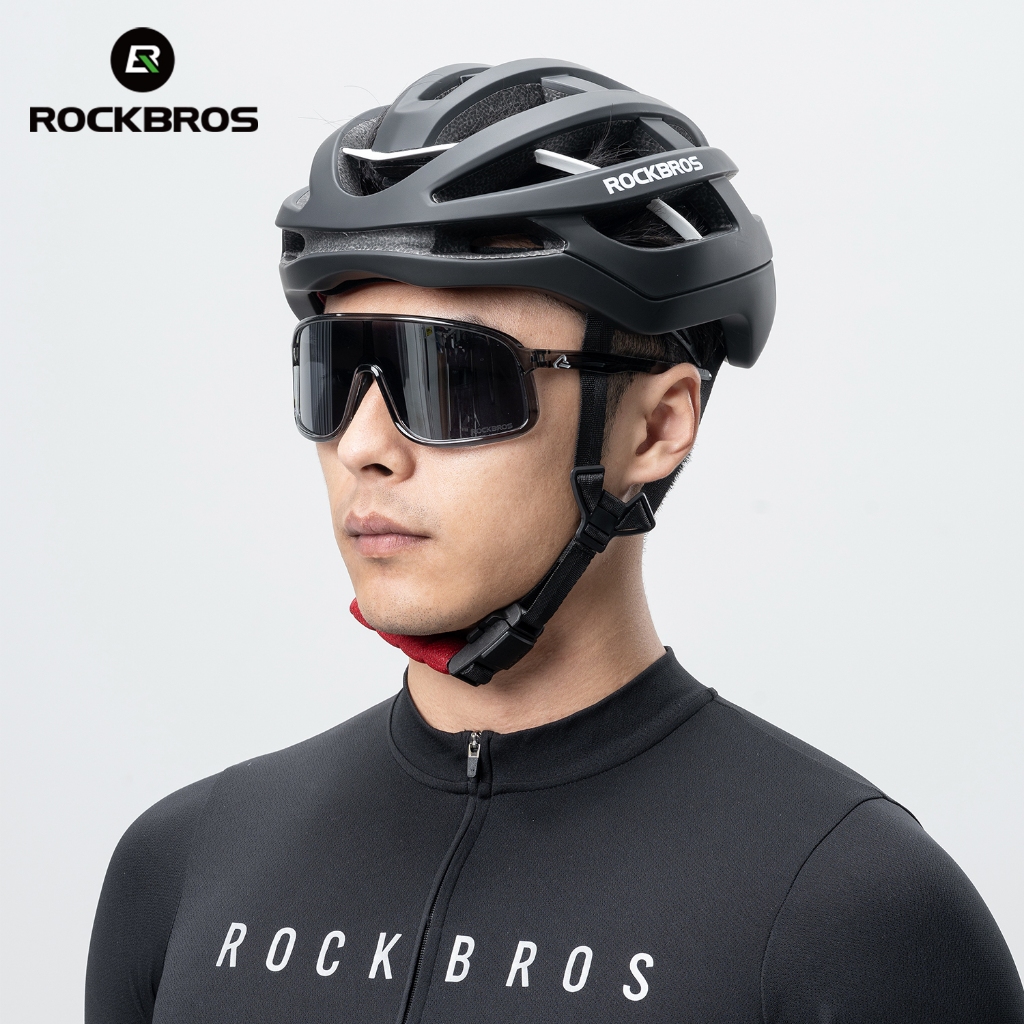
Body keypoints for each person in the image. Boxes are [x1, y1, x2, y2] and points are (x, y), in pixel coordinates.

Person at [85, 58, 1024, 1024]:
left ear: (655, 428)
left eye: (451, 376)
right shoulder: (179, 868)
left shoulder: (858, 914)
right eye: (334, 372)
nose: (363, 446)